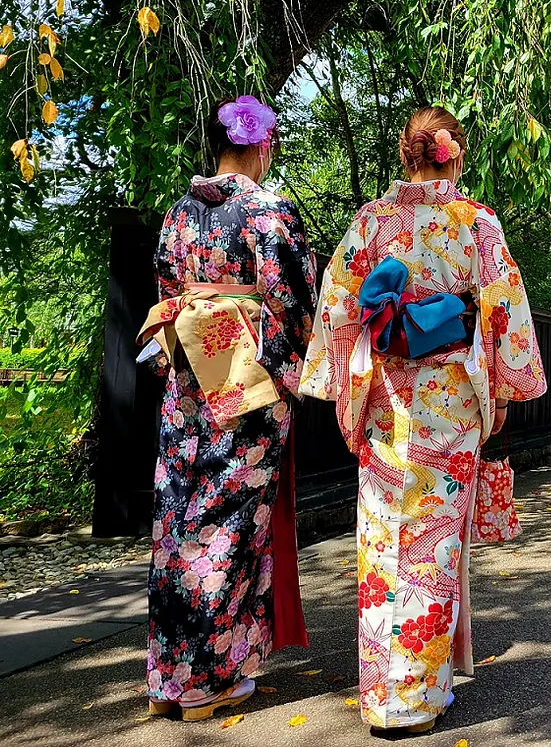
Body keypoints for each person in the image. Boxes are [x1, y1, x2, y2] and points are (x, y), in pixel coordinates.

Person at [300, 106, 546, 734]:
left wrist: (343, 388)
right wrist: (506, 385)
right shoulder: (477, 224)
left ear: (406, 157)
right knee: (433, 546)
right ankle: (417, 699)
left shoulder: (369, 223)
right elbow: (501, 315)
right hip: (452, 403)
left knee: (382, 544)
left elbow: (340, 311)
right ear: (454, 156)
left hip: (388, 401)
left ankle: (384, 696)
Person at [138, 96, 317, 722]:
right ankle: (208, 679)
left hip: (188, 380)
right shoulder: (270, 214)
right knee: (230, 525)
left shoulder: (178, 214)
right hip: (244, 386)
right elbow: (296, 303)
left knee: (178, 522)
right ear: (262, 147)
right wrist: (293, 373)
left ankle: (168, 675)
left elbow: (166, 292)